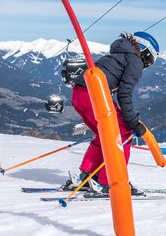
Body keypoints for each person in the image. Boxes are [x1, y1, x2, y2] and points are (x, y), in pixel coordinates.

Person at [63, 31, 159, 195]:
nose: (146, 66)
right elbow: (124, 94)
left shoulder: (118, 55)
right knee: (122, 135)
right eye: (149, 61)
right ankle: (112, 182)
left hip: (79, 95)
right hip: (93, 96)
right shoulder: (134, 60)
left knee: (104, 135)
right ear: (144, 51)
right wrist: (132, 122)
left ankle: (87, 176)